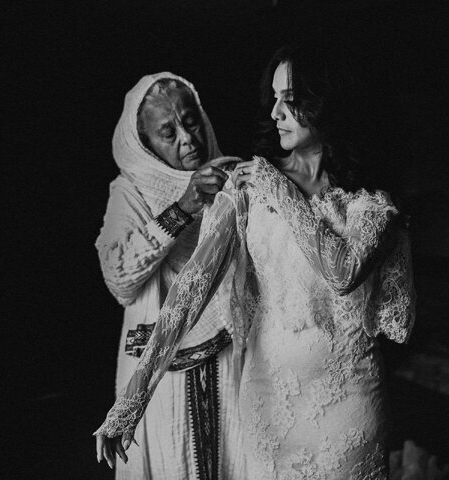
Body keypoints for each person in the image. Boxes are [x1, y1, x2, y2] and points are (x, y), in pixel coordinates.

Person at [96, 45, 416, 479]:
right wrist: (131, 401)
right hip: (270, 403)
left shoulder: (369, 198)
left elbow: (342, 272)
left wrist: (281, 192)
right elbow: (190, 292)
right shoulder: (247, 186)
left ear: (326, 103)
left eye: (290, 99)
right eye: (274, 98)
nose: (276, 112)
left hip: (349, 405)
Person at [95, 72, 244, 479]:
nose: (188, 140)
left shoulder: (232, 177)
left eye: (191, 121)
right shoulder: (130, 192)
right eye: (168, 132)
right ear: (145, 144)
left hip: (231, 354)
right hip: (159, 374)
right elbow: (120, 278)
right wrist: (183, 207)